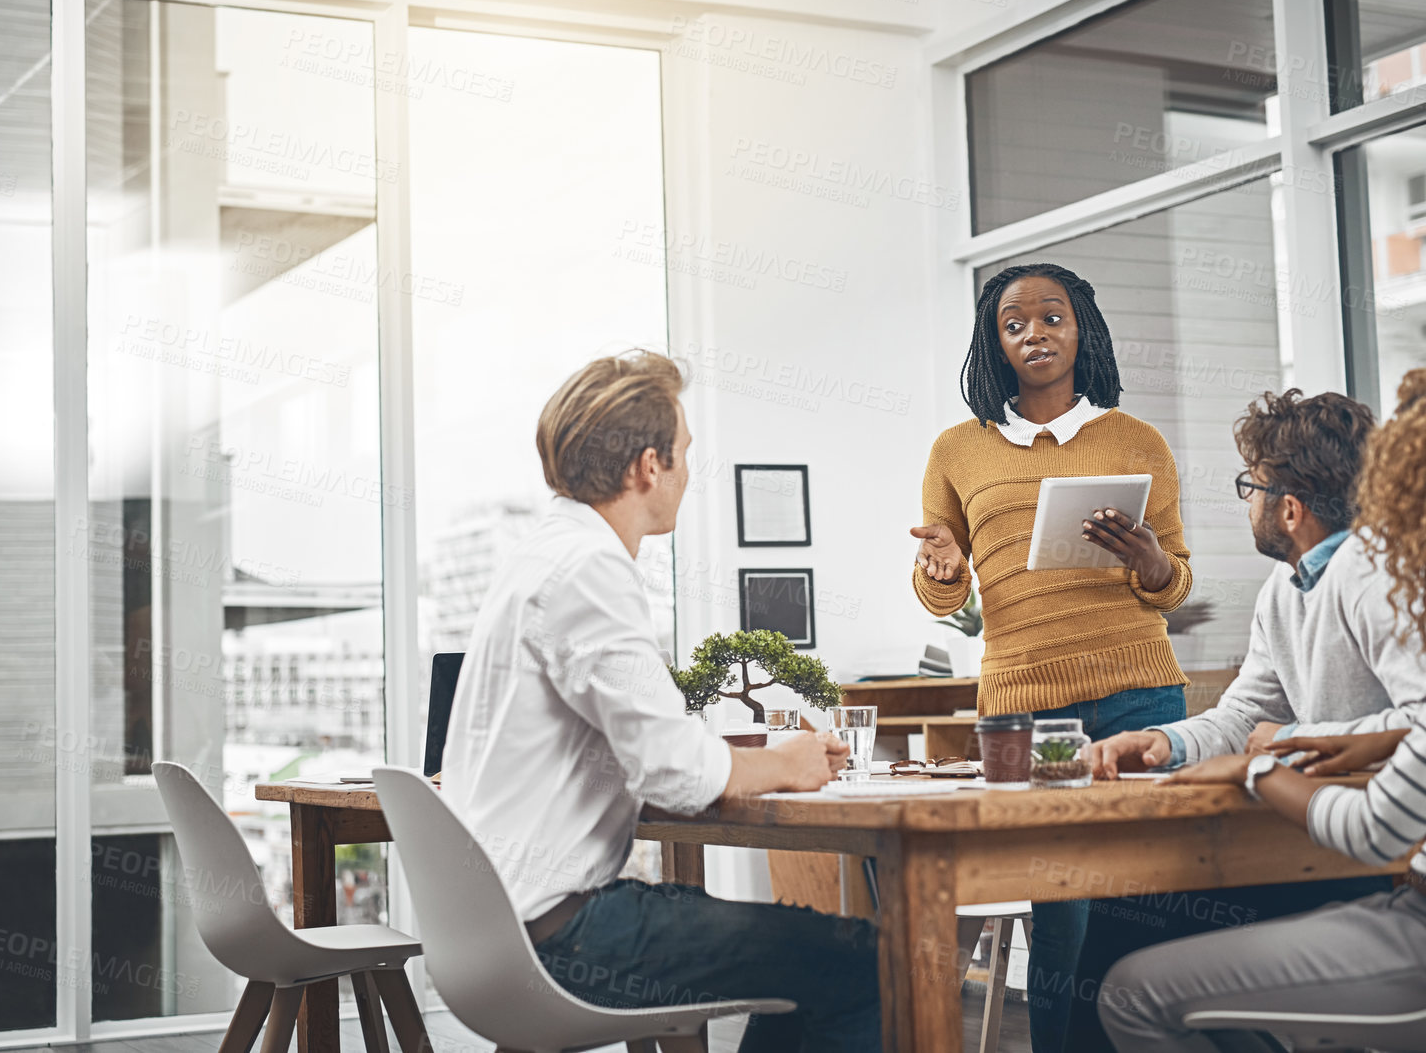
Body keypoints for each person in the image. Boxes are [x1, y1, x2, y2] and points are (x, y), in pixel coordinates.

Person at [1099, 367, 1426, 1052]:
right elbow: (1256, 710)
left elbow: (1378, 828)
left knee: (1130, 974)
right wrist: (1170, 741)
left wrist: (1252, 768)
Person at [443, 350, 880, 1053]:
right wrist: (789, 760)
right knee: (862, 960)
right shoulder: (589, 569)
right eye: (682, 454)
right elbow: (675, 774)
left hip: (498, 929)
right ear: (648, 466)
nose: (684, 472)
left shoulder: (539, 555)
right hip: (560, 936)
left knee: (802, 952)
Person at [1066, 389, 1426, 1050]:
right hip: (1319, 838)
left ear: (1288, 508)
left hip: (1384, 855)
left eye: (1250, 486)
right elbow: (1246, 712)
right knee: (1140, 909)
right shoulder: (1289, 585)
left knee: (1135, 918)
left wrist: (1286, 742)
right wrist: (1161, 741)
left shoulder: (1375, 576)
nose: (1247, 501)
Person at [910, 262, 1194, 1052]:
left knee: (1147, 900)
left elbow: (1172, 584)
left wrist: (1148, 561)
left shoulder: (1135, 439)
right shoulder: (956, 450)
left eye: (1051, 317)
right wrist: (942, 571)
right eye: (1013, 323)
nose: (1033, 332)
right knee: (1060, 912)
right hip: (1023, 709)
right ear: (992, 341)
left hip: (1140, 693)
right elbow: (943, 589)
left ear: (1081, 330)